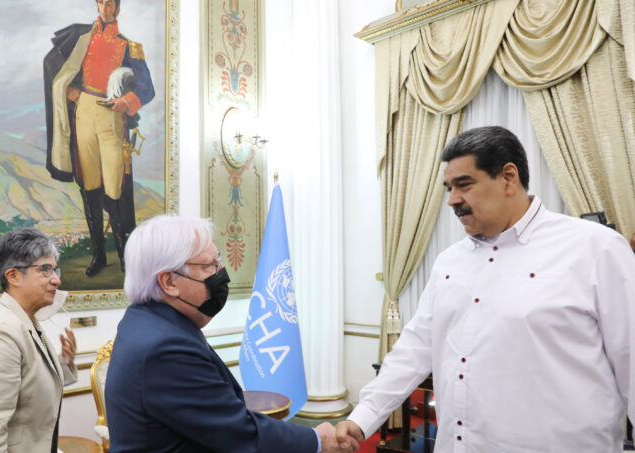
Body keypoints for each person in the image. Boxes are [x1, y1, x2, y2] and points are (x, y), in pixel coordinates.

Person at [336, 126, 635, 452]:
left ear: (508, 178)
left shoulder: (596, 249)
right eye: (449, 188)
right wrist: (361, 419)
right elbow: (414, 351)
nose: (452, 200)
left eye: (464, 185)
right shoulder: (449, 262)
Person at [105, 215, 358, 453]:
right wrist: (316, 440)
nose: (221, 273)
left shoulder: (146, 321)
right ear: (169, 282)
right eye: (210, 266)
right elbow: (239, 434)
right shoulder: (165, 347)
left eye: (219, 260)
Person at [43, 0, 155, 276]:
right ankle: (99, 256)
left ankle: (124, 256)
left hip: (112, 118)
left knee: (115, 188)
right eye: (102, 2)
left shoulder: (130, 47)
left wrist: (126, 102)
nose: (106, 7)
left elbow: (147, 88)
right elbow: (53, 64)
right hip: (84, 115)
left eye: (111, 3)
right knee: (89, 186)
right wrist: (70, 90)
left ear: (118, 8)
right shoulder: (82, 38)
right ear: (98, 5)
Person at [0, 228, 78, 453]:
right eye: (45, 270)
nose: (57, 280)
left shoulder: (24, 320)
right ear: (13, 276)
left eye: (54, 269)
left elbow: (28, 384)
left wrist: (63, 362)